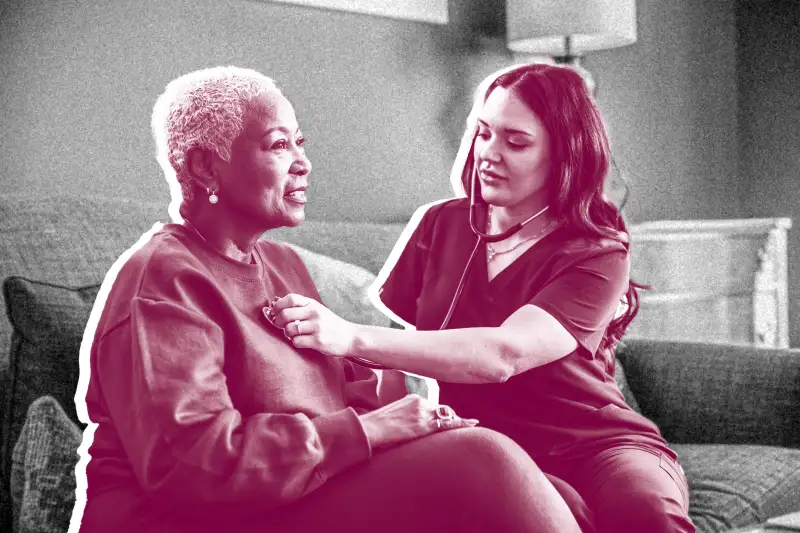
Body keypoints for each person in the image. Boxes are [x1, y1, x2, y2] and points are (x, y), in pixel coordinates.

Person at [75, 66, 583, 533]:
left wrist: (416, 423)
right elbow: (196, 467)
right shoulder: (162, 280)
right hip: (195, 518)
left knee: (559, 492)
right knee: (483, 464)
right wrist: (368, 431)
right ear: (206, 167)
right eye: (278, 145)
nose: (303, 163)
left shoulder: (284, 266)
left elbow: (347, 395)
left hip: (298, 495)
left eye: (300, 142)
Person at [272, 63, 696, 533]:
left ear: (564, 155)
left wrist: (349, 337)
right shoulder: (438, 225)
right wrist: (378, 433)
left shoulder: (596, 252)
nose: (488, 154)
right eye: (483, 133)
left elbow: (504, 355)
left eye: (516, 142)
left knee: (645, 517)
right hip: (488, 448)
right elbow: (399, 362)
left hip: (600, 448)